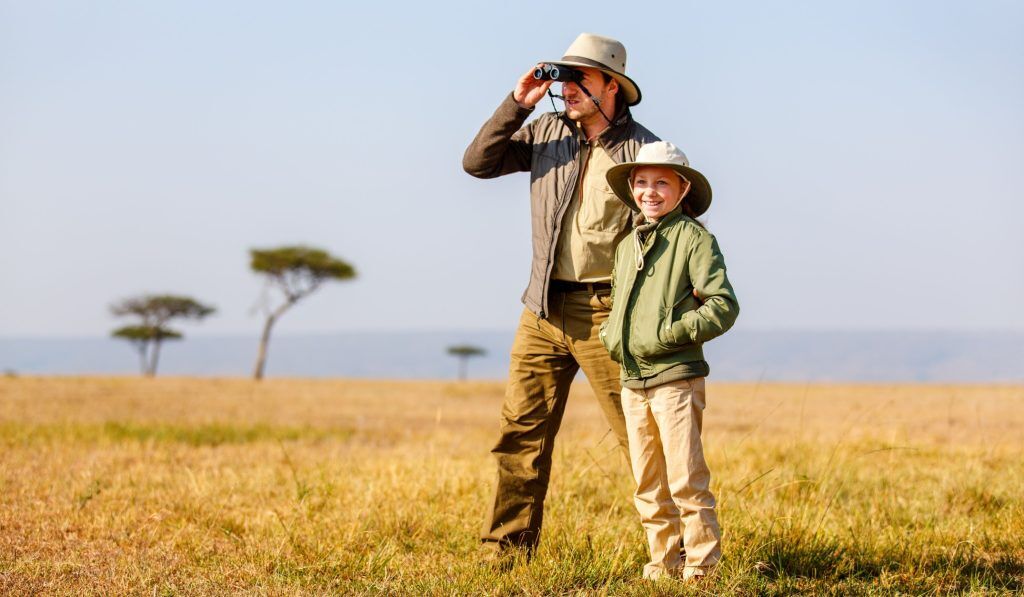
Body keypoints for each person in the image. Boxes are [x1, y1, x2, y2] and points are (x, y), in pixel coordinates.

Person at [462, 33, 659, 561]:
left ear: (612, 86)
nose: (567, 87)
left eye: (580, 78)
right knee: (520, 434)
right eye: (563, 76)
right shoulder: (545, 130)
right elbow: (477, 162)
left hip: (610, 314)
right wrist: (518, 102)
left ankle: (676, 553)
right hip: (542, 309)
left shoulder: (644, 151)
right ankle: (506, 552)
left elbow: (667, 237)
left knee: (640, 434)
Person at [600, 141, 739, 581]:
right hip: (632, 379)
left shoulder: (694, 239)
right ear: (632, 189)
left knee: (685, 478)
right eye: (641, 182)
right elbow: (618, 305)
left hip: (676, 378)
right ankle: (662, 563)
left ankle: (701, 566)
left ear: (683, 189)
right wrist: (611, 337)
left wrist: (669, 334)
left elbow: (723, 304)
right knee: (647, 482)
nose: (650, 191)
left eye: (662, 182)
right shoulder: (627, 245)